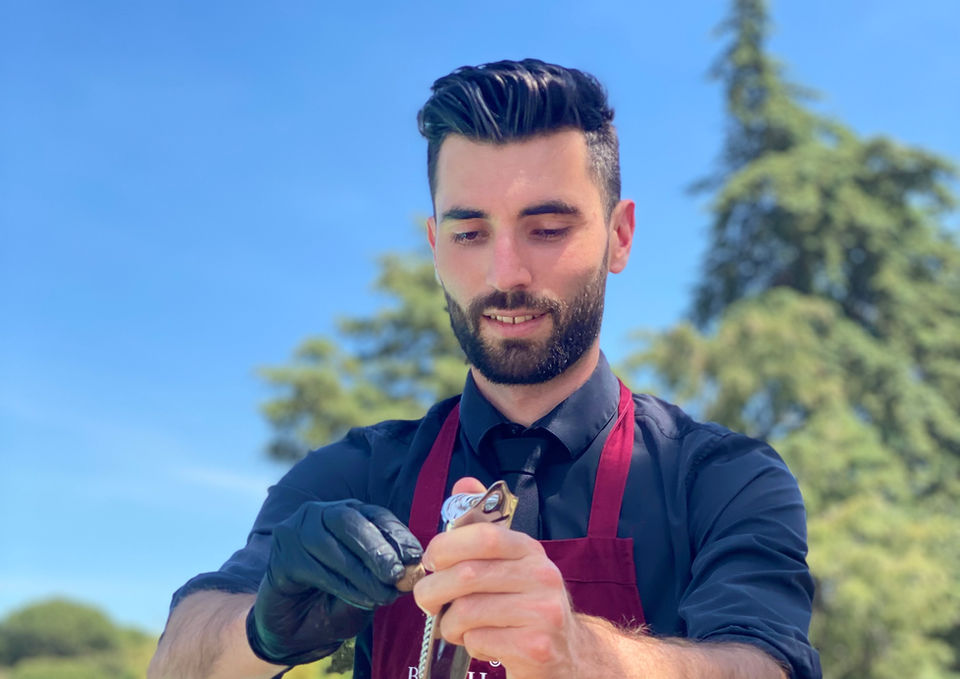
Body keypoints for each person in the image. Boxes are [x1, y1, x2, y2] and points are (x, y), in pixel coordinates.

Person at [148, 59, 821, 679]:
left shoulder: (721, 479)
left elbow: (769, 665)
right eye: (469, 234)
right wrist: (262, 630)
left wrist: (582, 656)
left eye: (547, 228)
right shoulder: (358, 472)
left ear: (619, 236)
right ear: (435, 246)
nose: (506, 274)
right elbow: (176, 660)